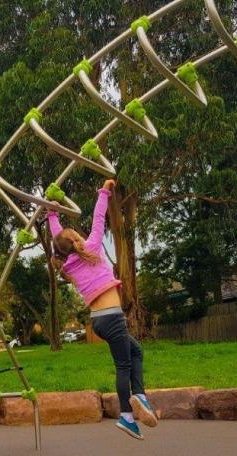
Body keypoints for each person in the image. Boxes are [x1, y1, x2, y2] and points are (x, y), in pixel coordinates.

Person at [46, 178, 157, 440]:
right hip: (112, 318)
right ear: (75, 240)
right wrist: (104, 191)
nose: (78, 234)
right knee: (123, 365)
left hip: (98, 321)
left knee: (135, 351)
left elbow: (57, 237)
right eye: (74, 234)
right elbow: (98, 217)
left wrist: (52, 212)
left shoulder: (67, 263)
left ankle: (139, 396)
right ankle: (127, 415)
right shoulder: (92, 248)